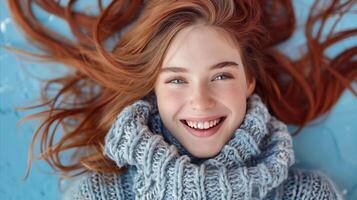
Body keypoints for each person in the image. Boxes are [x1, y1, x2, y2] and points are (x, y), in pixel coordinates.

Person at [7, 0, 356, 199]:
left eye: (221, 76)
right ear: (153, 89)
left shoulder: (309, 194)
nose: (200, 101)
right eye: (176, 79)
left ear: (249, 80)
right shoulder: (99, 196)